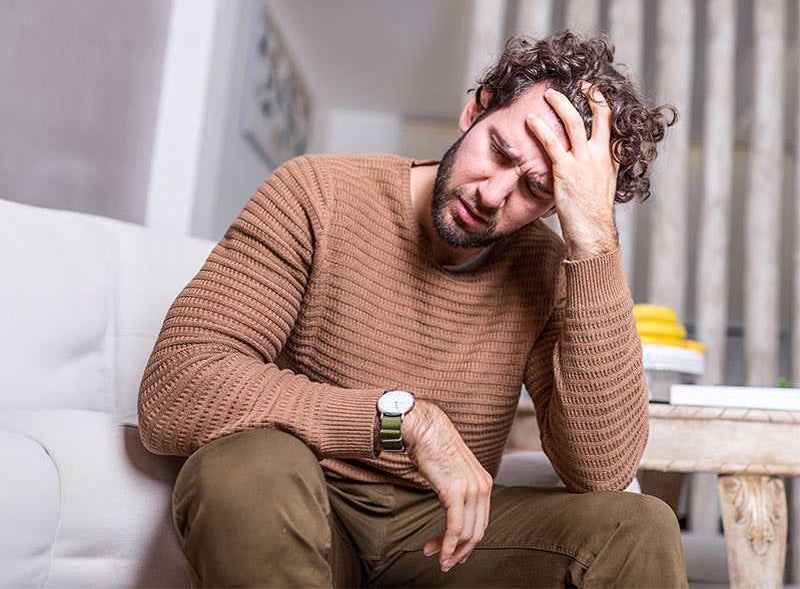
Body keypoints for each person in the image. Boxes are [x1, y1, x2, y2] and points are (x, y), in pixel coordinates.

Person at [138, 29, 687, 588]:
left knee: (638, 527)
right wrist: (404, 421)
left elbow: (601, 469)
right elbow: (178, 386)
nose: (494, 195)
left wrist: (593, 239)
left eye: (537, 189)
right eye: (498, 152)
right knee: (243, 469)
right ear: (477, 107)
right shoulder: (318, 194)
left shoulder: (546, 267)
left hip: (449, 537)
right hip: (304, 497)